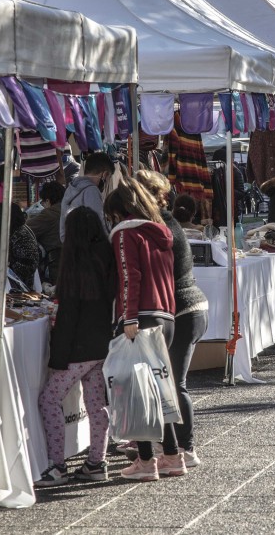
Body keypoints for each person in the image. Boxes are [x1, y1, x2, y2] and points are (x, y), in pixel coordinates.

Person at [35, 206, 115, 486]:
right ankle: (97, 460)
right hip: (102, 345)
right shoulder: (108, 257)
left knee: (48, 399)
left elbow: (68, 319)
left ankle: (57, 465)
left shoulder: (75, 266)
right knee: (95, 404)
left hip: (79, 349)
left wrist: (57, 358)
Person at [135, 171, 209, 469]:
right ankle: (175, 446)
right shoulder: (166, 221)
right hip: (189, 308)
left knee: (175, 384)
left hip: (183, 310)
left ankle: (186, 449)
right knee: (172, 383)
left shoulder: (159, 225)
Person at [104, 179, 176, 482]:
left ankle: (147, 461)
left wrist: (128, 318)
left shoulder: (126, 233)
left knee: (137, 393)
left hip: (140, 316)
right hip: (165, 315)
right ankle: (172, 455)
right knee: (159, 390)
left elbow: (128, 276)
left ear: (120, 211)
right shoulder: (160, 231)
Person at [60, 152, 114, 242]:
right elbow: (100, 225)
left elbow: (62, 231)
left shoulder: (71, 189)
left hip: (70, 249)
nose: (107, 182)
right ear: (105, 174)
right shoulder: (92, 190)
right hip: (89, 251)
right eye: (108, 178)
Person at [27, 181, 66, 283]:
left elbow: (25, 229)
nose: (43, 205)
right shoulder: (70, 209)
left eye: (43, 202)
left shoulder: (49, 214)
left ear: (48, 201)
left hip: (57, 263)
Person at [210, 146, 246, 227]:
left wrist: (227, 190)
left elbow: (241, 193)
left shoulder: (235, 172)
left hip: (232, 208)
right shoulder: (214, 172)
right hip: (217, 207)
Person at [8, 203, 40, 290]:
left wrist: (9, 264)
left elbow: (27, 265)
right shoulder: (21, 230)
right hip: (21, 282)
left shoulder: (20, 234)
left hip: (20, 284)